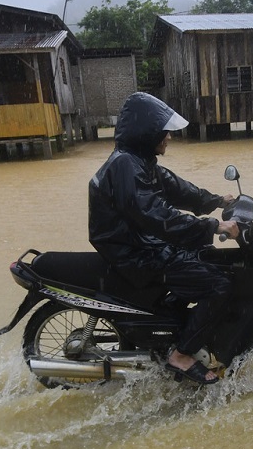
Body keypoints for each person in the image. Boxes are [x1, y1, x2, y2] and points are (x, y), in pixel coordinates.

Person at [88, 92, 238, 385]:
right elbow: (155, 214)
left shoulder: (139, 161)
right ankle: (181, 355)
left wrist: (217, 200)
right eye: (164, 131)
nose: (169, 137)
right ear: (147, 132)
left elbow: (177, 189)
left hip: (142, 244)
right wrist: (213, 227)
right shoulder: (125, 167)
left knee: (205, 258)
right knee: (220, 285)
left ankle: (174, 329)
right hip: (135, 253)